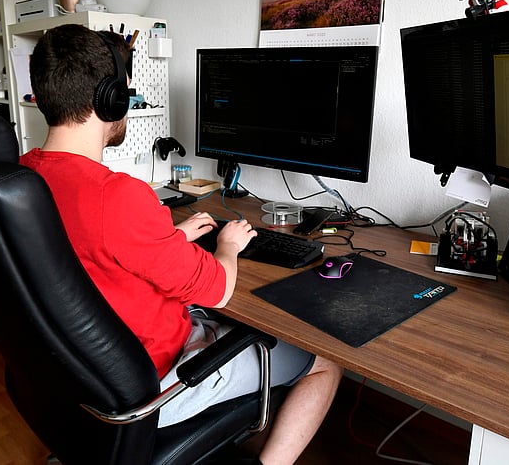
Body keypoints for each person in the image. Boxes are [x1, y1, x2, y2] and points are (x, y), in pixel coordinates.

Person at [20, 24, 342, 465]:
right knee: (325, 360)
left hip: (72, 381)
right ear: (112, 99)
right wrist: (227, 244)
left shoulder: (19, 181)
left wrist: (169, 237)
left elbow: (90, 254)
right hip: (152, 387)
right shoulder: (116, 195)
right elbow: (220, 289)